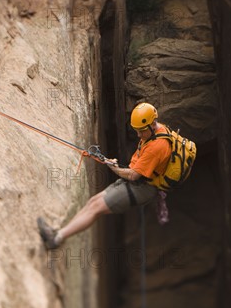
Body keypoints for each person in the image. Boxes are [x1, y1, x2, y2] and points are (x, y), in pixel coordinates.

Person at [37, 102, 172, 249]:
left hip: (142, 188)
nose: (139, 135)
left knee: (96, 208)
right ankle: (58, 232)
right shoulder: (160, 130)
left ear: (152, 124)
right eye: (137, 130)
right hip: (138, 181)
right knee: (93, 202)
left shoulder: (157, 146)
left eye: (141, 131)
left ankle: (57, 239)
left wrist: (113, 167)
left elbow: (133, 175)